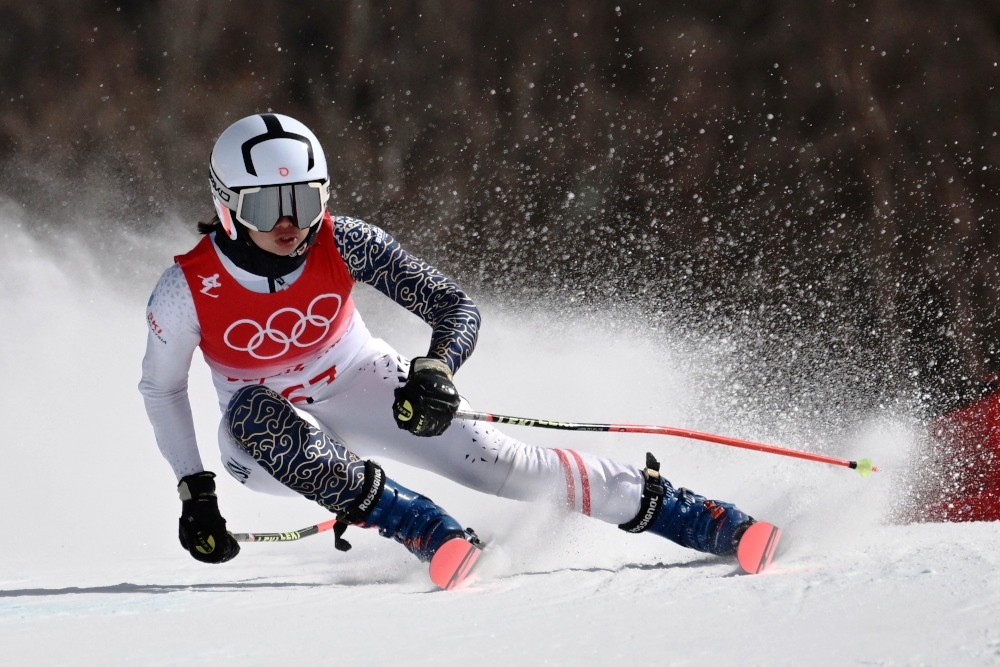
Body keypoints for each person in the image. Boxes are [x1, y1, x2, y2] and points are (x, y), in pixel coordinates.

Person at [139, 113, 764, 575]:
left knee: (507, 466)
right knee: (255, 415)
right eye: (267, 203)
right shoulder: (186, 289)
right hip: (264, 444)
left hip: (361, 383)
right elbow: (161, 387)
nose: (287, 222)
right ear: (226, 206)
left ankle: (702, 519)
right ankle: (424, 528)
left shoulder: (345, 240)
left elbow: (453, 305)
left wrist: (437, 369)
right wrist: (195, 491)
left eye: (303, 200)